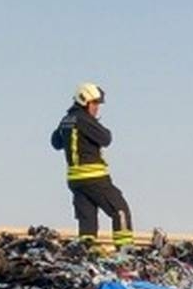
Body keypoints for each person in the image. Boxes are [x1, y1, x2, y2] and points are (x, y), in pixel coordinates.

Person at [51, 82, 133, 249]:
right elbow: (106, 138)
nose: (97, 108)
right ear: (84, 101)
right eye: (94, 103)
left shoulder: (67, 120)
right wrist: (98, 125)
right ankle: (125, 252)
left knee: (87, 220)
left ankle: (87, 252)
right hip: (94, 178)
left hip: (75, 181)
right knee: (120, 210)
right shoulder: (84, 119)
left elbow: (55, 142)